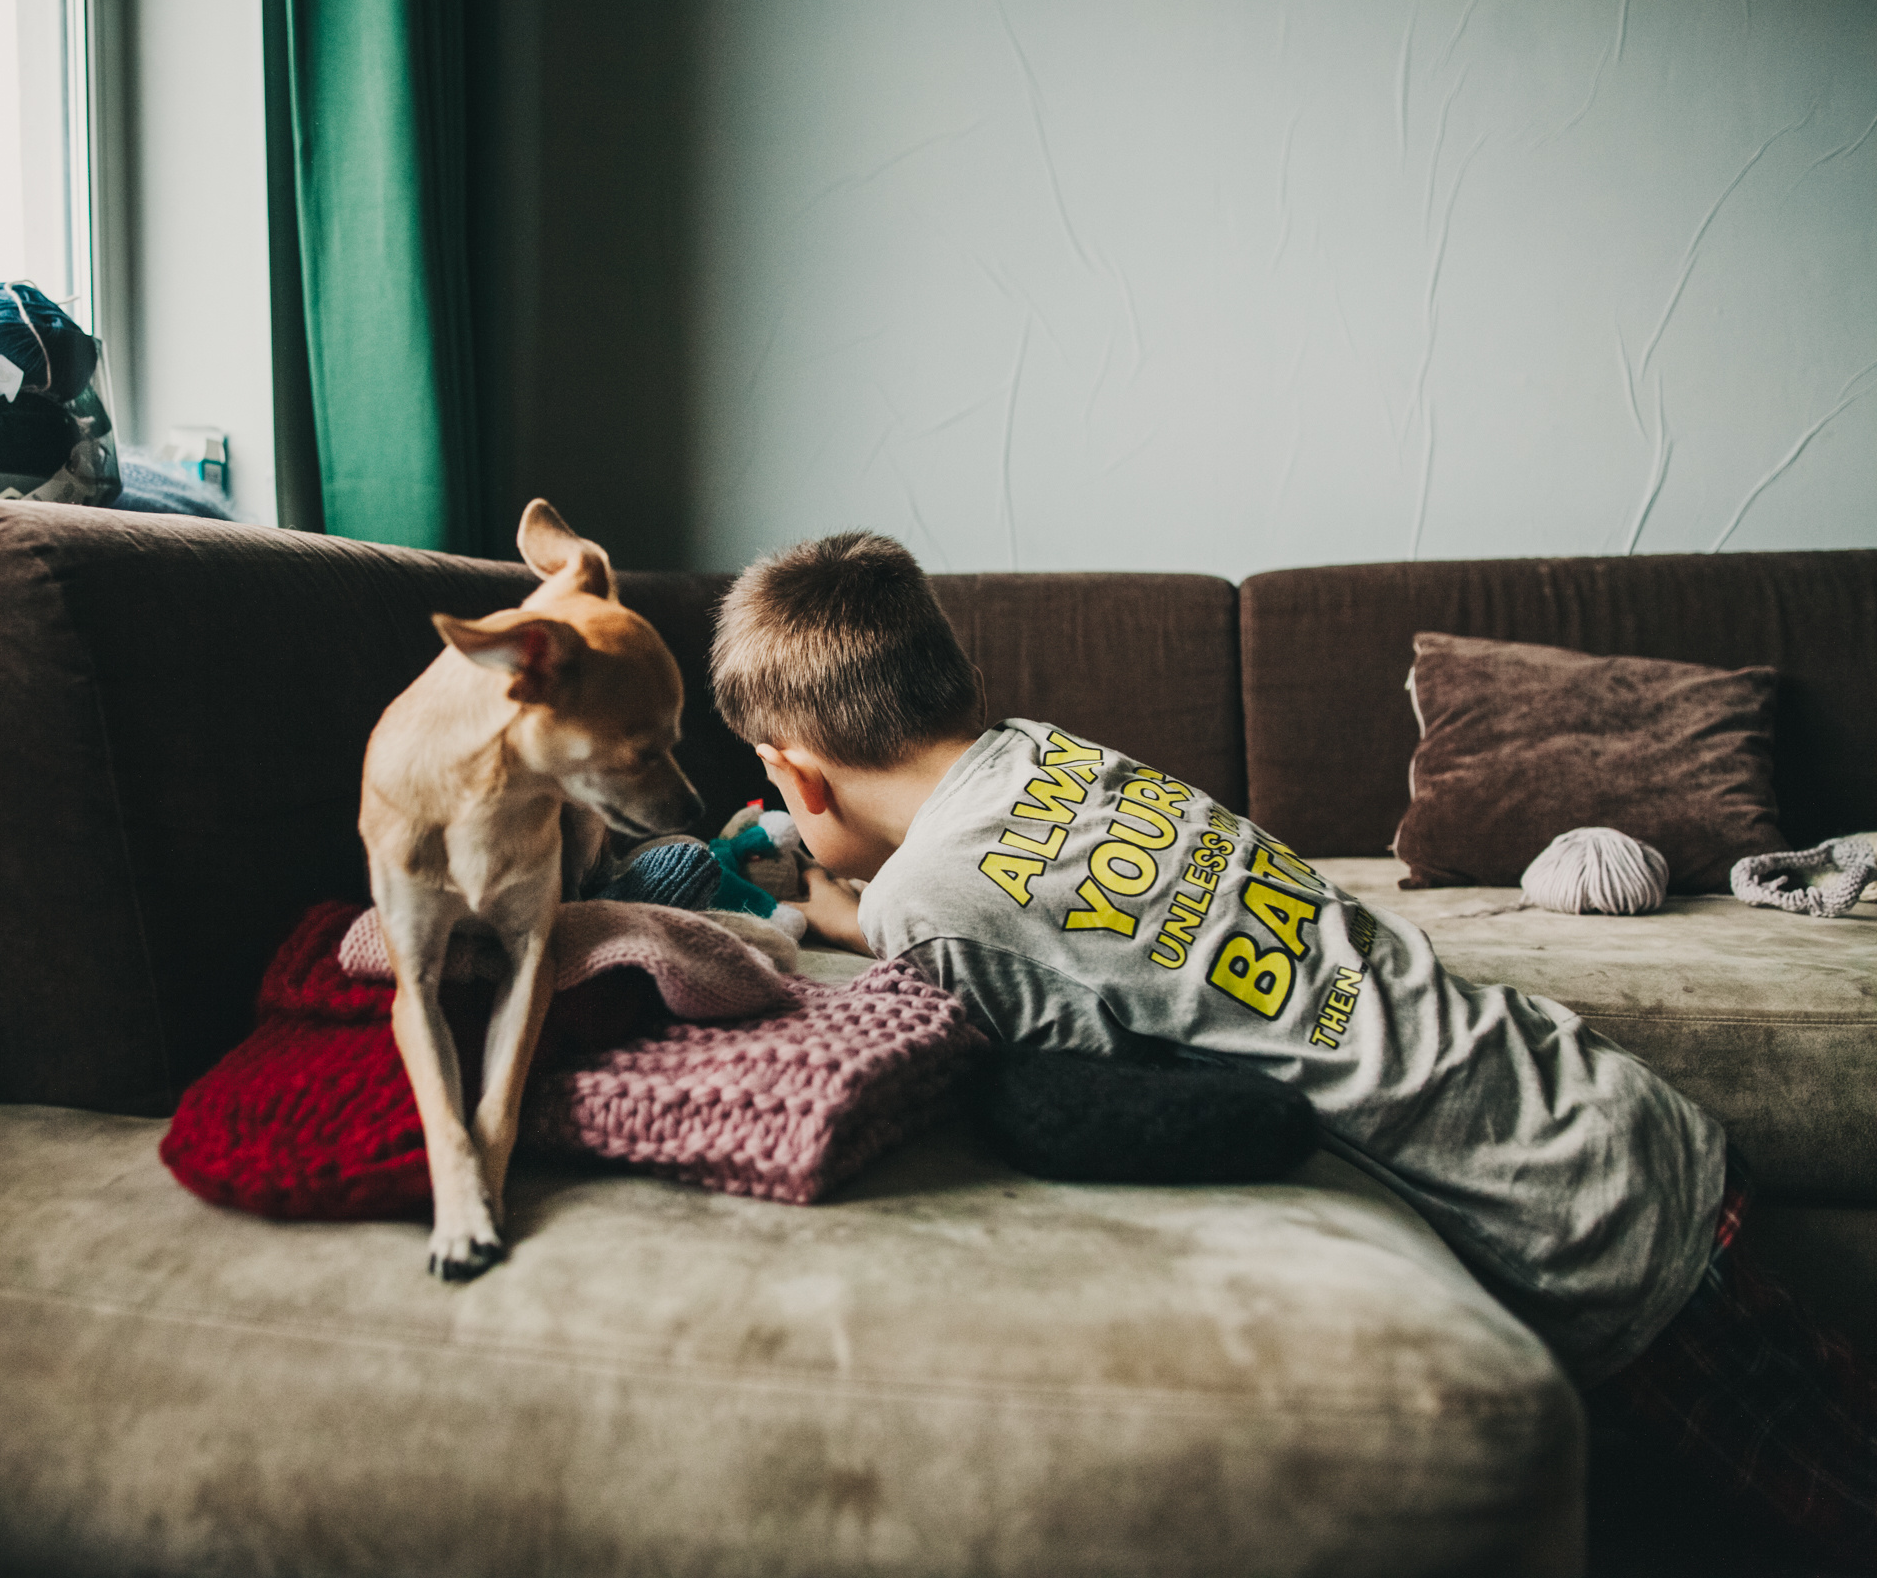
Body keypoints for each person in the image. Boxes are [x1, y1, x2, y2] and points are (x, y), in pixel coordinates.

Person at [709, 530, 1875, 1569]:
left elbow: (1068, 1069)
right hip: (1597, 1104)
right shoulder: (1043, 756)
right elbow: (1057, 920)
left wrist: (860, 918)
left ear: (794, 771)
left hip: (1575, 1229)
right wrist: (840, 904)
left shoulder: (926, 898)